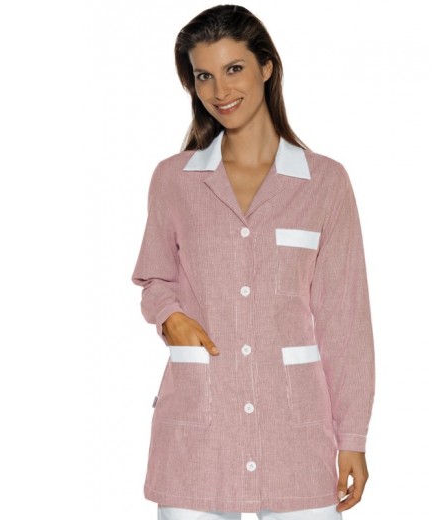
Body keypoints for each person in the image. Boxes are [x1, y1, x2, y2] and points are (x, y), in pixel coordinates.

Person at [131, 5, 376, 520]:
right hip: (198, 432)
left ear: (267, 67)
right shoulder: (173, 179)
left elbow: (345, 320)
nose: (220, 90)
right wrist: (170, 317)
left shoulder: (324, 183)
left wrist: (352, 436)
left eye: (234, 68)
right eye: (204, 76)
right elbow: (154, 277)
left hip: (296, 436)